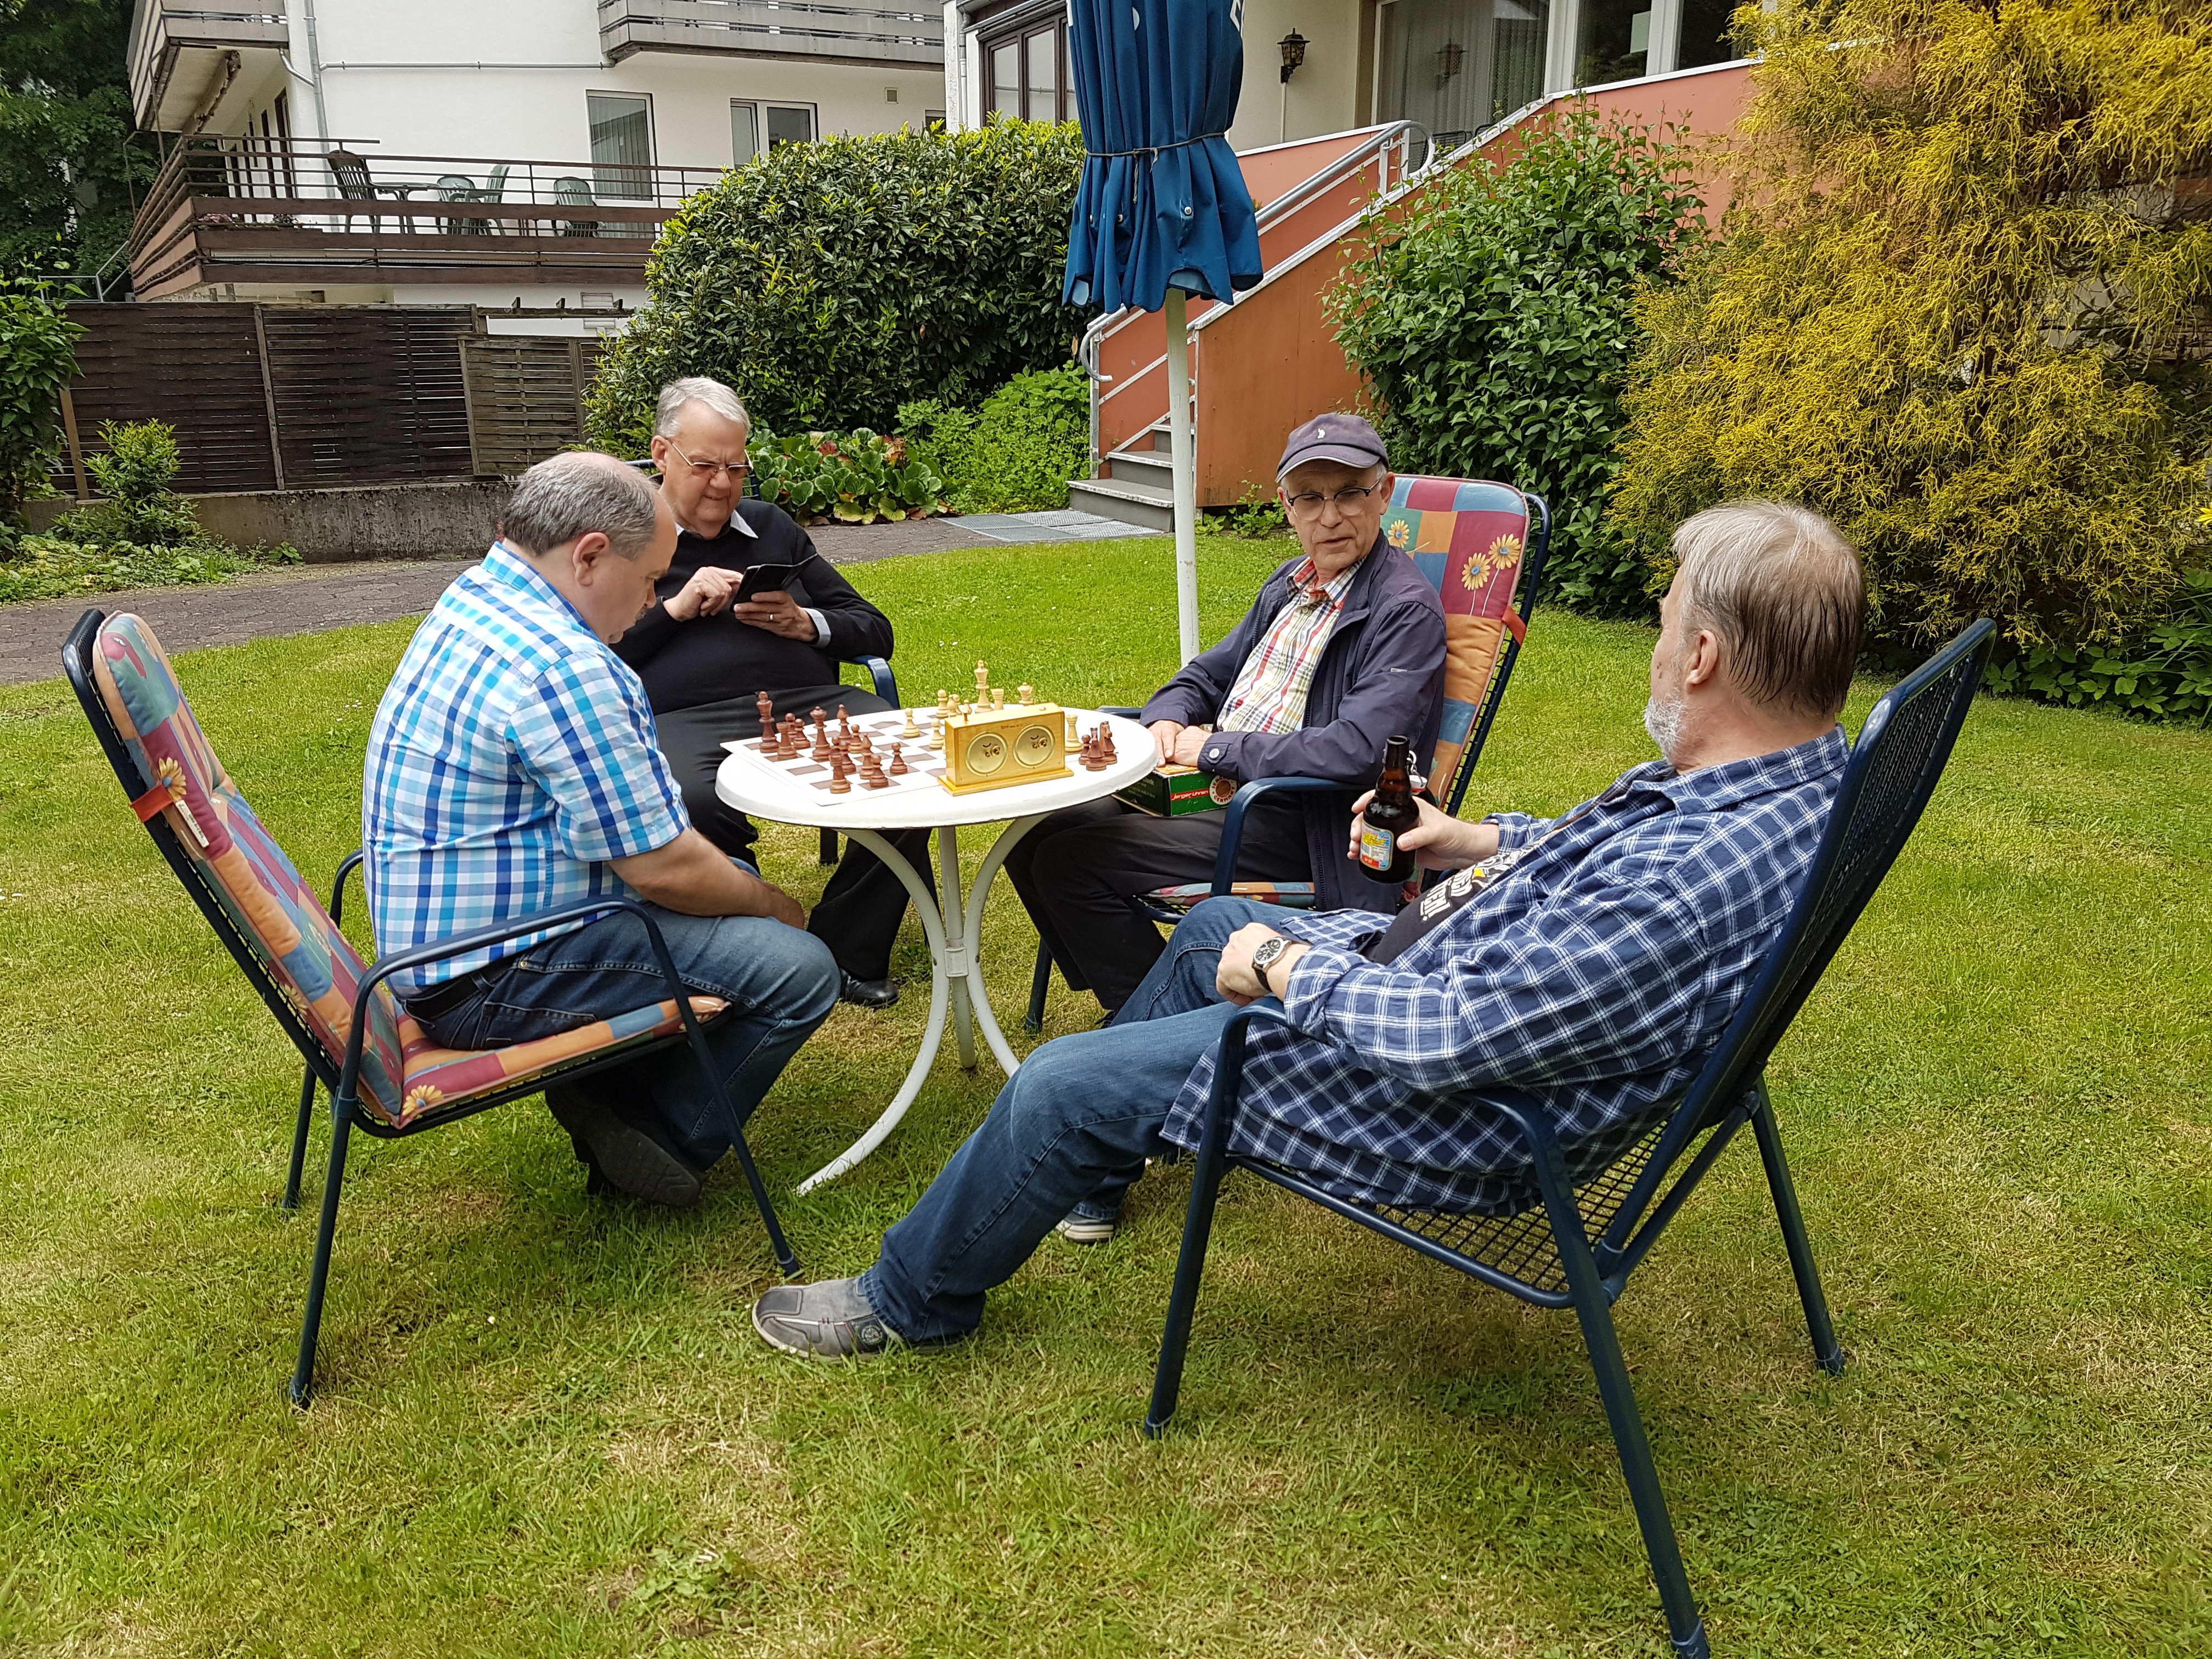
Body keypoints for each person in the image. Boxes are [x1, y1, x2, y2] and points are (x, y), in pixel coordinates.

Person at [749, 500, 1867, 1356]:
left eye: (1666, 623)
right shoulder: (1783, 785)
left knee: (1061, 1081)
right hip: (1449, 980)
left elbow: (1452, 1040)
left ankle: (913, 1300)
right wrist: (1477, 842)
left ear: (1708, 658)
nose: (1658, 646)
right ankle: (1119, 1139)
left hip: (1452, 1105)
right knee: (1206, 933)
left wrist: (1287, 966)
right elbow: (1584, 863)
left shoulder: (1679, 874)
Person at [363, 450, 840, 1209]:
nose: (654, 602)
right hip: (492, 974)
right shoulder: (563, 663)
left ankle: (618, 1090)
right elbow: (662, 867)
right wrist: (775, 903)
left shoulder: (478, 597)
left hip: (442, 947)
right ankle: (656, 1133)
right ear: (589, 555)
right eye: (652, 580)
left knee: (733, 916)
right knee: (800, 966)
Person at [1006, 412, 1447, 1022]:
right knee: (1031, 831)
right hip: (1220, 790)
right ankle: (1139, 991)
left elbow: (1359, 749)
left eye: (1350, 493)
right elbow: (1206, 675)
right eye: (1310, 499)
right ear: (1287, 507)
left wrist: (1210, 750)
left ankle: (1156, 1026)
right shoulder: (1291, 584)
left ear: (1384, 493)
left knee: (1068, 861)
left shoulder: (1403, 612)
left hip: (1302, 820)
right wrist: (1168, 720)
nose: (1330, 517)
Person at [612, 375, 930, 1010]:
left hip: (809, 708)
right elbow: (592, 651)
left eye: (736, 465)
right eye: (705, 465)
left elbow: (874, 629)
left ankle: (842, 950)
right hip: (681, 719)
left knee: (913, 776)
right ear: (662, 453)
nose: (724, 484)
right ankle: (751, 952)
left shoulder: (770, 527)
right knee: (690, 802)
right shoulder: (625, 537)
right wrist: (673, 610)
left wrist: (807, 624)